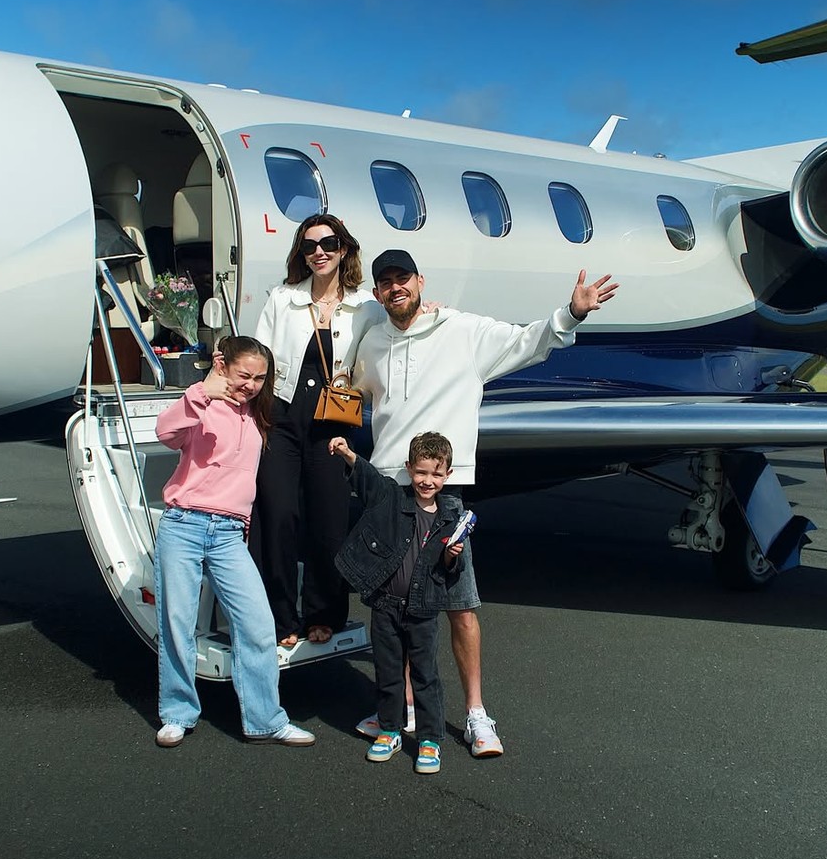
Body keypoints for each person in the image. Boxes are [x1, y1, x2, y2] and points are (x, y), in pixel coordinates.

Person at [351, 249, 618, 757]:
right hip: (389, 490)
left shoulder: (463, 331)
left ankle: (476, 714)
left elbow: (527, 343)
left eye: (401, 278)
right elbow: (353, 390)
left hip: (443, 494)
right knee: (398, 605)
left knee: (461, 607)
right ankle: (402, 705)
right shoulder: (374, 342)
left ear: (419, 281)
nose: (394, 288)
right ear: (377, 292)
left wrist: (573, 312)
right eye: (384, 282)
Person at [153, 334, 316, 749]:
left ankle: (265, 719)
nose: (252, 384)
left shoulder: (256, 416)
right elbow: (165, 432)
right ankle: (177, 713)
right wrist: (198, 392)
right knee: (177, 624)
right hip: (185, 524)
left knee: (259, 626)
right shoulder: (201, 405)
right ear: (222, 364)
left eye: (261, 378)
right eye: (246, 375)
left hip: (228, 535)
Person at [252, 214, 384, 647]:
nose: (319, 252)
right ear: (301, 254)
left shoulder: (365, 306)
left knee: (329, 521)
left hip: (333, 421)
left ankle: (323, 613)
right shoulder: (283, 299)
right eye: (309, 246)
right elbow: (262, 359)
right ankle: (280, 615)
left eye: (328, 243)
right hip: (284, 417)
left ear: (343, 248)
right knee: (278, 514)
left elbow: (388, 342)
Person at [329, 432, 470, 775]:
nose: (427, 481)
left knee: (425, 676)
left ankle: (429, 739)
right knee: (389, 673)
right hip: (386, 606)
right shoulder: (392, 499)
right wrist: (348, 453)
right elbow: (369, 479)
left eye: (436, 475)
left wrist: (453, 556)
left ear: (448, 475)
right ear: (408, 468)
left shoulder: (449, 519)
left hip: (423, 610)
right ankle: (391, 730)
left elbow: (451, 573)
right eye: (421, 472)